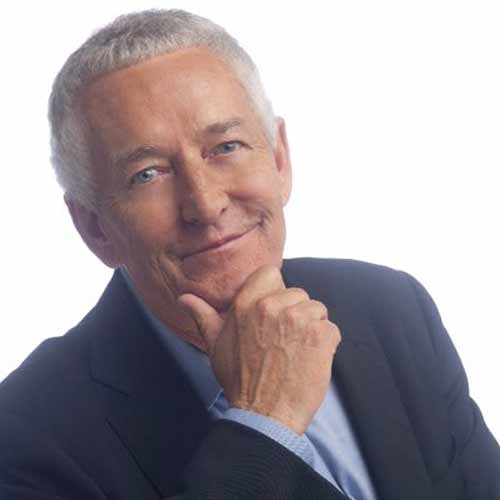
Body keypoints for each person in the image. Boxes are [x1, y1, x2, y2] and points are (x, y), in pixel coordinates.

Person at [0, 8, 498, 500]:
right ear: (94, 227)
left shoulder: (391, 308)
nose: (205, 203)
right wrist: (264, 421)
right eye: (147, 174)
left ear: (280, 159)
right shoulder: (27, 437)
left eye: (226, 147)